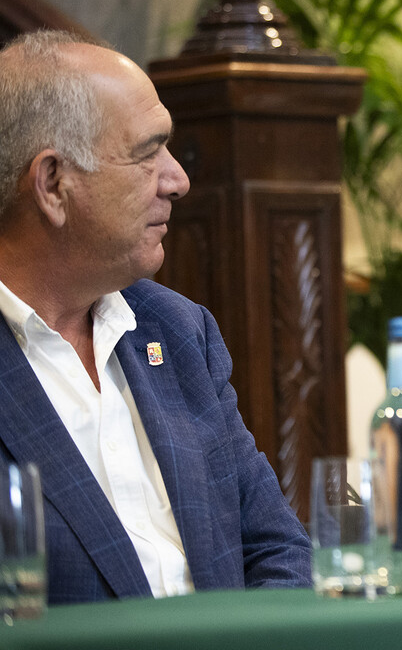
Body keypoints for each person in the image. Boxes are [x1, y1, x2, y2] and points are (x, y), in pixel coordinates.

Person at [0, 30, 311, 604]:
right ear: (53, 184)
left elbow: (277, 550)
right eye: (147, 154)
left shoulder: (177, 329)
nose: (178, 180)